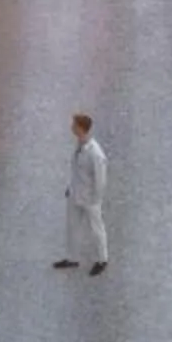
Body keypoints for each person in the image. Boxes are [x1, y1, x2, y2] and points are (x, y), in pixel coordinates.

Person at [55, 112, 108, 276]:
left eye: (74, 125)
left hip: (90, 198)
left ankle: (102, 259)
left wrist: (95, 198)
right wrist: (70, 187)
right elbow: (76, 171)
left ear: (81, 128)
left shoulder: (95, 153)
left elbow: (100, 179)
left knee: (96, 229)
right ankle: (72, 257)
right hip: (76, 194)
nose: (71, 127)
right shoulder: (80, 145)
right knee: (72, 227)